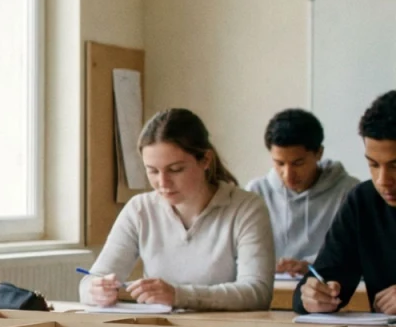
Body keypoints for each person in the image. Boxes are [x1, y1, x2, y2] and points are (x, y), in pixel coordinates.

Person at [80, 109, 274, 311]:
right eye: (152, 171)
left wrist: (178, 295)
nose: (163, 182)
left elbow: (257, 292)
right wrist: (97, 290)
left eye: (175, 170)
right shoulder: (139, 209)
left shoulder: (247, 208)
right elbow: (89, 282)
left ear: (205, 160)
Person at [296, 92, 396, 315]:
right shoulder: (364, 201)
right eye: (373, 165)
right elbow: (326, 273)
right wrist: (313, 295)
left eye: (395, 166)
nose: (383, 180)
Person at [244, 108, 359, 275]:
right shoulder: (256, 192)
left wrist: (311, 266)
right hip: (271, 292)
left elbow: (356, 253)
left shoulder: (349, 192)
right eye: (279, 163)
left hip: (329, 290)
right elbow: (243, 254)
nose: (287, 174)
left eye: (298, 163)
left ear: (319, 153)